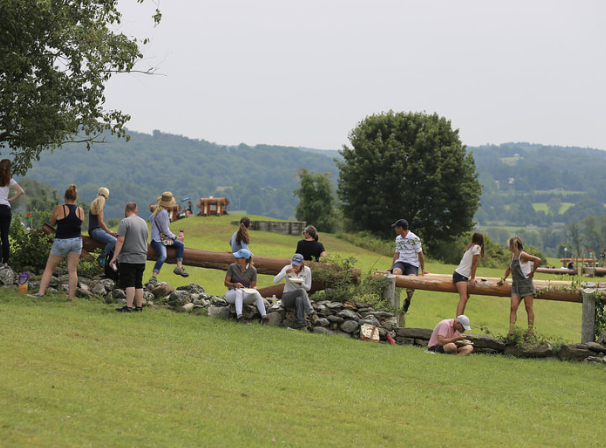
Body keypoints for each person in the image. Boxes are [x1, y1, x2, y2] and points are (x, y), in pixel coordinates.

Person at [28, 185, 84, 301]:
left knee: (49, 268)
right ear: (75, 198)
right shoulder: (80, 210)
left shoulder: (60, 208)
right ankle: (70, 297)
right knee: (72, 270)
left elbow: (52, 223)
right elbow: (79, 225)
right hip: (76, 241)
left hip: (61, 241)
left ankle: (41, 292)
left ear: (65, 197)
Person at [498, 236, 541, 338]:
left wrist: (533, 272)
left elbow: (537, 260)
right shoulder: (513, 256)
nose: (508, 247)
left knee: (528, 308)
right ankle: (511, 331)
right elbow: (509, 268)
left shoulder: (523, 255)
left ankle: (530, 332)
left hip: (526, 285)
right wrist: (503, 279)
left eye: (509, 245)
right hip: (515, 286)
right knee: (513, 308)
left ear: (513, 245)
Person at [111, 202, 149, 312]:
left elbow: (120, 240)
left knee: (130, 282)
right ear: (136, 211)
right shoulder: (143, 222)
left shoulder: (125, 222)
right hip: (141, 257)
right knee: (138, 282)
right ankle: (139, 306)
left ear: (125, 210)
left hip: (129, 257)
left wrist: (115, 257)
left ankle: (128, 306)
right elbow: (145, 240)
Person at [149, 191, 189, 287]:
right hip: (158, 240)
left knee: (180, 245)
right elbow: (165, 230)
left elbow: (151, 220)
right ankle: (153, 277)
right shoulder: (163, 213)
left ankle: (179, 267)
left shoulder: (156, 212)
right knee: (163, 255)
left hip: (158, 238)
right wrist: (176, 238)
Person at [389, 219, 428, 313]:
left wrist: (423, 269)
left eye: (396, 227)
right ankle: (392, 300)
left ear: (400, 228)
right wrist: (392, 267)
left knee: (412, 282)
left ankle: (408, 300)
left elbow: (420, 254)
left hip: (412, 264)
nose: (395, 229)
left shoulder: (414, 238)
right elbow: (397, 254)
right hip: (401, 262)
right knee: (395, 274)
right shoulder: (398, 238)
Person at [274, 253, 318, 330]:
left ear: (302, 263)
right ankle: (311, 312)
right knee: (301, 291)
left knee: (299, 299)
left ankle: (303, 325)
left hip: (299, 296)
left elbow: (308, 288)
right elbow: (275, 281)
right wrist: (285, 273)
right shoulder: (287, 268)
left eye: (297, 265)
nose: (294, 267)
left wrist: (301, 284)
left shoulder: (307, 270)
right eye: (293, 265)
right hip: (287, 297)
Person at [224, 248, 269, 325]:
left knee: (257, 294)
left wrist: (253, 289)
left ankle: (265, 317)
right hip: (231, 293)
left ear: (244, 259)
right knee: (239, 291)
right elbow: (226, 283)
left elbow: (254, 286)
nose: (236, 258)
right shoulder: (232, 267)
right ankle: (240, 317)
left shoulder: (252, 270)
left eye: (238, 257)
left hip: (245, 294)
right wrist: (235, 285)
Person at [0, 159, 24, 268]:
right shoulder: (9, 180)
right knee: (4, 236)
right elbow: (21, 191)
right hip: (6, 208)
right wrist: (11, 199)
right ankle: (5, 262)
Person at [453, 232, 485, 316]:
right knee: (463, 298)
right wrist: (473, 278)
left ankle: (461, 318)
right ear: (481, 240)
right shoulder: (477, 247)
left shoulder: (471, 247)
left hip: (460, 274)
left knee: (467, 296)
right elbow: (474, 264)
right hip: (461, 275)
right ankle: (458, 321)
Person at [88, 187, 117, 267]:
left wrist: (109, 232)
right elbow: (101, 222)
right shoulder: (99, 205)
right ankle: (103, 257)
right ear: (107, 196)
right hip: (96, 231)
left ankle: (113, 261)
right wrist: (109, 232)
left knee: (113, 240)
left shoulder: (94, 203)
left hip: (94, 230)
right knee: (114, 241)